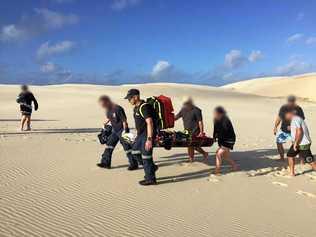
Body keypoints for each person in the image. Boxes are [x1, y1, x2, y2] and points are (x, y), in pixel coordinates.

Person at [124, 89, 158, 186]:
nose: (129, 100)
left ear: (136, 97)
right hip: (141, 135)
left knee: (146, 157)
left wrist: (149, 139)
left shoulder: (144, 107)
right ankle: (151, 167)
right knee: (134, 151)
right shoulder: (136, 108)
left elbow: (149, 122)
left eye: (130, 98)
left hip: (148, 135)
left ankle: (150, 179)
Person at [97, 95, 139, 170]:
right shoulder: (108, 110)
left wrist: (125, 132)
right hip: (115, 131)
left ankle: (134, 164)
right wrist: (105, 123)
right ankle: (105, 163)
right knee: (109, 146)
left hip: (123, 130)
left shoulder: (118, 108)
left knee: (128, 148)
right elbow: (110, 117)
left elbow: (124, 121)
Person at [284, 107, 316, 176]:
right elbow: (298, 130)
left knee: (310, 161)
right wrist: (291, 128)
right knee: (290, 155)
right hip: (300, 143)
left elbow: (299, 132)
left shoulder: (296, 119)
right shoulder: (296, 119)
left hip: (302, 144)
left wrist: (295, 143)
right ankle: (292, 173)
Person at [175, 97, 208, 162]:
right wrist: (169, 119)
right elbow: (176, 117)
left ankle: (203, 154)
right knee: (189, 145)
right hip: (186, 131)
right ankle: (192, 158)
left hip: (195, 131)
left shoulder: (197, 110)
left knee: (193, 145)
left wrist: (201, 132)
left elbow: (200, 122)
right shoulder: (183, 110)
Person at [273, 95, 305, 161]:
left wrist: (293, 126)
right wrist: (275, 127)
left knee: (296, 144)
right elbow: (279, 118)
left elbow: (301, 119)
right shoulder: (283, 108)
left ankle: (301, 159)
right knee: (279, 143)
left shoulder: (298, 108)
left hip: (294, 131)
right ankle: (282, 158)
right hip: (283, 130)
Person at [213, 106, 237, 175]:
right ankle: (234, 167)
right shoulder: (215, 119)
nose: (215, 114)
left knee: (218, 154)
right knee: (226, 156)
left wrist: (219, 137)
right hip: (223, 140)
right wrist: (214, 137)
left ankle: (217, 171)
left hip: (229, 140)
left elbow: (225, 131)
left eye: (216, 113)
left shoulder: (225, 120)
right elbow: (215, 130)